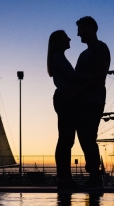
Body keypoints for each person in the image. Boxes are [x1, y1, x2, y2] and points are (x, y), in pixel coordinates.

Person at [75, 16, 110, 188]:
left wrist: (83, 87)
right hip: (82, 100)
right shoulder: (83, 54)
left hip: (93, 99)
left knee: (88, 136)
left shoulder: (101, 48)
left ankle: (95, 175)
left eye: (81, 29)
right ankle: (93, 174)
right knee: (84, 136)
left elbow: (100, 74)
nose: (78, 34)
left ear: (90, 28)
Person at [47, 30, 83, 190]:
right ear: (59, 41)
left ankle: (64, 177)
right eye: (65, 37)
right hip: (65, 98)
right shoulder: (58, 58)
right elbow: (73, 77)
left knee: (66, 140)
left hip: (65, 98)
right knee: (65, 140)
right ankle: (63, 177)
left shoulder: (58, 58)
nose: (69, 39)